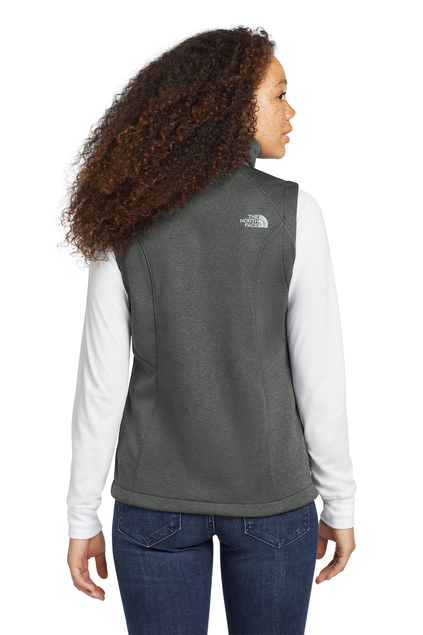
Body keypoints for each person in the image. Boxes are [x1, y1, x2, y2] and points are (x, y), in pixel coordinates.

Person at [63, 26, 357, 635]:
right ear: (231, 107)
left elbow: (100, 384)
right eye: (279, 95)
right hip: (272, 503)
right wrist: (341, 500)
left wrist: (81, 514)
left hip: (154, 505)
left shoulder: (123, 216)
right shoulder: (294, 212)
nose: (291, 111)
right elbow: (320, 376)